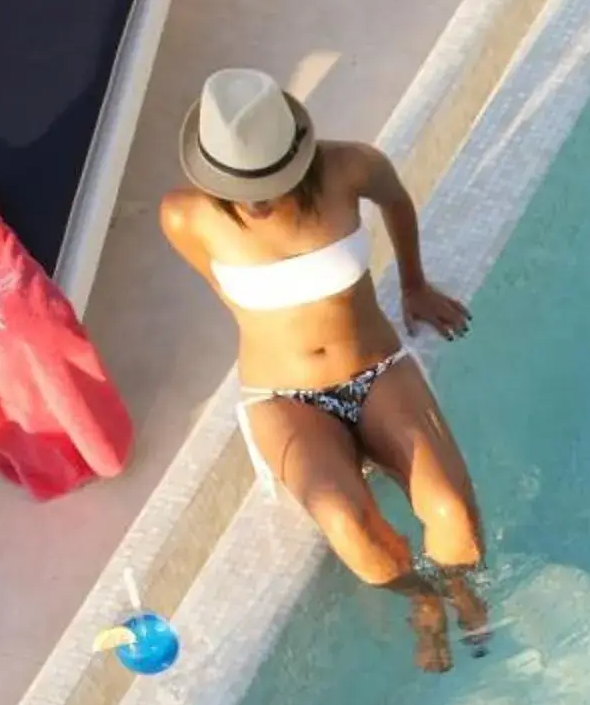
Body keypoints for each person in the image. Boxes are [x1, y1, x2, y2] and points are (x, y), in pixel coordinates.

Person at [161, 67, 488, 672]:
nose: (256, 199)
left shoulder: (351, 168)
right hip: (282, 393)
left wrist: (413, 285)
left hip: (375, 367)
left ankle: (462, 587)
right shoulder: (185, 215)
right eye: (240, 184)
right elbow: (229, 294)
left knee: (453, 513)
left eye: (268, 179)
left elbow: (396, 200)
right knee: (348, 525)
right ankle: (420, 599)